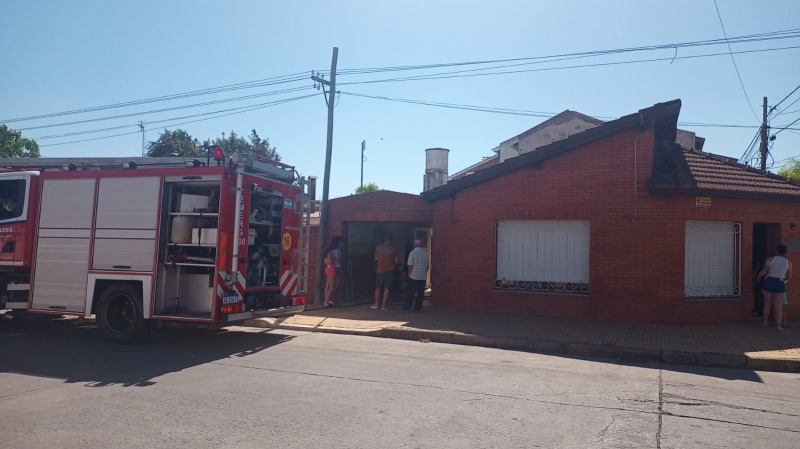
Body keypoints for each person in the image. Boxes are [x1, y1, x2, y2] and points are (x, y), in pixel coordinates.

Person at [757, 244, 792, 331]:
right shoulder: (788, 262)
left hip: (769, 281)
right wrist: (784, 280)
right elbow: (789, 276)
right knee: (778, 306)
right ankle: (779, 326)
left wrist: (758, 277)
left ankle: (765, 322)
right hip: (780, 282)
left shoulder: (770, 259)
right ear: (785, 252)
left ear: (777, 251)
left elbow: (764, 271)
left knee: (767, 304)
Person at [372, 233, 399, 310]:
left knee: (378, 287)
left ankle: (376, 304)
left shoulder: (378, 248)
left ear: (384, 240)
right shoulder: (394, 249)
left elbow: (376, 259)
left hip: (380, 270)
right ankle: (384, 305)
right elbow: (396, 261)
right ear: (391, 240)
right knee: (387, 288)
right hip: (390, 271)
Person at [403, 239, 429, 312]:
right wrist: (424, 272)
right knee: (420, 293)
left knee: (411, 292)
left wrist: (409, 273)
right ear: (421, 245)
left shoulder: (412, 253)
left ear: (414, 245)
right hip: (422, 276)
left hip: (413, 276)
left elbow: (410, 264)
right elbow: (427, 266)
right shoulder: (425, 254)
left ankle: (407, 307)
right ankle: (417, 308)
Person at [323, 236, 343, 307]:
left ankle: (327, 299)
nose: (342, 243)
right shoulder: (334, 251)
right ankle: (327, 301)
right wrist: (335, 259)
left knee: (328, 285)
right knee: (332, 286)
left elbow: (326, 261)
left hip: (328, 268)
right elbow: (334, 260)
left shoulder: (329, 251)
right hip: (333, 268)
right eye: (341, 242)